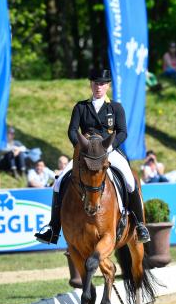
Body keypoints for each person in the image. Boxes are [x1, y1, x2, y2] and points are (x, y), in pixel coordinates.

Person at [35, 68, 150, 245]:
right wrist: (81, 147)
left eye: (102, 84)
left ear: (108, 86)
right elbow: (72, 130)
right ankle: (53, 228)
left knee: (129, 180)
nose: (99, 87)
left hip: (109, 152)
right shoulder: (81, 107)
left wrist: (109, 146)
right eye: (96, 83)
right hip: (86, 154)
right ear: (91, 84)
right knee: (58, 183)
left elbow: (123, 132)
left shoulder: (116, 107)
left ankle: (140, 225)